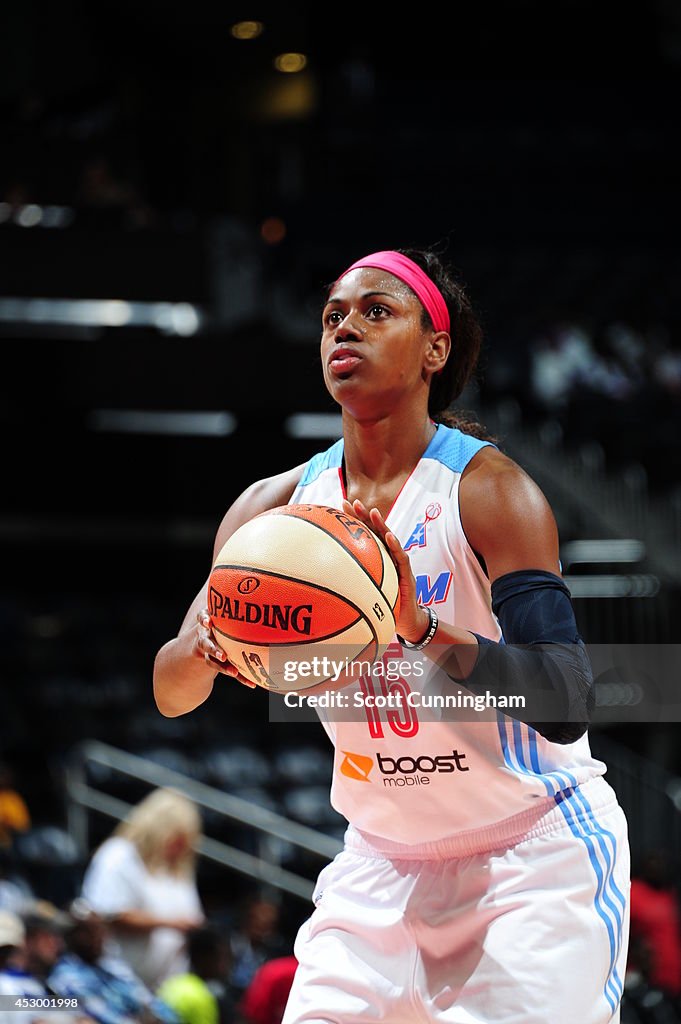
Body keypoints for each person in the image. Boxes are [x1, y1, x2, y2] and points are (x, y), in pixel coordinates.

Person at [152, 246, 631, 1023]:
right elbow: (171, 695)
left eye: (376, 312)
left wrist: (422, 629)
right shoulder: (268, 512)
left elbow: (565, 699)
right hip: (377, 866)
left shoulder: (489, 492)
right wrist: (205, 649)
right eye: (332, 316)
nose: (346, 328)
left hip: (527, 861)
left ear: (434, 350)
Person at [80, 787, 205, 991]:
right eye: (176, 840)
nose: (180, 849)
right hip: (117, 983)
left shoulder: (177, 869)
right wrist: (170, 923)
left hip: (165, 988)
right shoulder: (118, 855)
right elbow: (106, 914)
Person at [48, 898, 181, 1024]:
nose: (97, 937)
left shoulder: (113, 966)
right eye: (87, 932)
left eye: (99, 929)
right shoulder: (66, 976)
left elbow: (149, 1002)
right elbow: (100, 1015)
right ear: (69, 936)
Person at [156, 922, 235, 1024]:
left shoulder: (172, 984)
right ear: (202, 958)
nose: (226, 964)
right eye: (221, 957)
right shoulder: (202, 996)